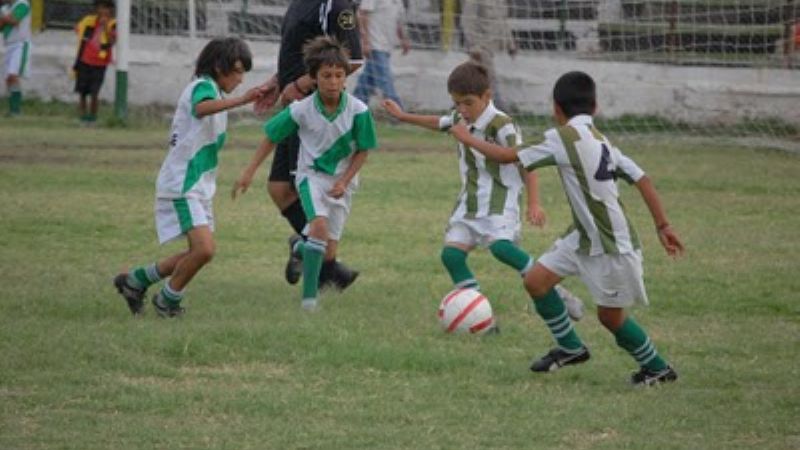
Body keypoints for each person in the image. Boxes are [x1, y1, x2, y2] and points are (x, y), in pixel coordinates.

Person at [449, 71, 685, 385]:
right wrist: (663, 225)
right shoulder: (602, 141)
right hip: (582, 235)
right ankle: (571, 347)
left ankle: (657, 368)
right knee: (536, 281)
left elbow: (508, 156)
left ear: (556, 109)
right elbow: (642, 178)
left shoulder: (562, 138)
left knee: (610, 317)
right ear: (595, 106)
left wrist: (467, 139)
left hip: (610, 242)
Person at [381, 61, 584, 324]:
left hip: (501, 201)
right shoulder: (459, 118)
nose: (462, 110)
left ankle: (555, 291)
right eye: (456, 104)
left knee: (502, 249)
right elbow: (439, 122)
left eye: (467, 103)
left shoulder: (502, 124)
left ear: (487, 96)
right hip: (470, 202)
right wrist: (403, 116)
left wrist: (534, 203)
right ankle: (476, 314)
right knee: (451, 255)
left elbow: (527, 161)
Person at [113, 37, 262, 318]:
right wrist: (241, 100)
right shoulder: (203, 87)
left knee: (197, 253)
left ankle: (135, 282)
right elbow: (200, 108)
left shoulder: (215, 92)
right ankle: (167, 301)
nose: (241, 79)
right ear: (219, 67)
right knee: (204, 250)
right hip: (183, 184)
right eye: (239, 71)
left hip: (199, 185)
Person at [234, 36, 377, 311]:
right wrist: (249, 171)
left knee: (325, 251)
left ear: (346, 78)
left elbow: (363, 151)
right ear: (313, 78)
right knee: (318, 229)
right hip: (310, 177)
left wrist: (345, 181)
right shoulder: (302, 109)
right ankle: (309, 302)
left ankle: (299, 248)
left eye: (338, 75)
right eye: (326, 76)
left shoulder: (359, 111)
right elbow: (271, 136)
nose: (333, 81)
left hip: (342, 184)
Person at [253, 0, 364, 291]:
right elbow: (305, 55)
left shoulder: (337, 5)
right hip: (295, 107)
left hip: (314, 113)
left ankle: (321, 262)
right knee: (279, 188)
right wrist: (279, 81)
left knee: (301, 188)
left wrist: (302, 85)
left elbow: (351, 60)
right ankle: (318, 258)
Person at [459, 0, 517, 112]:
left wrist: (511, 44)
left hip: (493, 46)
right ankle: (498, 107)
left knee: (475, 81)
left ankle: (460, 105)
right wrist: (474, 46)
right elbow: (467, 22)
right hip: (480, 46)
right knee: (490, 78)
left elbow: (503, 22)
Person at [353, 0, 410, 108]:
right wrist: (365, 41)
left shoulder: (398, 2)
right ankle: (398, 111)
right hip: (375, 45)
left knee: (367, 80)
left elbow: (398, 21)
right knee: (385, 80)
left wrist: (404, 39)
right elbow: (362, 14)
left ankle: (354, 107)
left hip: (387, 46)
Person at [73, 0, 116, 123]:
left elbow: (112, 42)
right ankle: (82, 117)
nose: (102, 11)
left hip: (99, 64)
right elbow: (79, 31)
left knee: (94, 92)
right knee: (82, 91)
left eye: (106, 8)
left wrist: (105, 27)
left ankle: (92, 118)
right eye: (100, 7)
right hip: (85, 60)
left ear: (111, 10)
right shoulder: (89, 21)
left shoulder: (112, 24)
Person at [0, 0, 31, 116]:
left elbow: (14, 20)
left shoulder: (22, 4)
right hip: (8, 45)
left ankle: (16, 110)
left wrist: (6, 18)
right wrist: (6, 18)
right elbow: (1, 26)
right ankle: (13, 109)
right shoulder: (5, 8)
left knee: (13, 75)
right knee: (8, 78)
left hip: (20, 44)